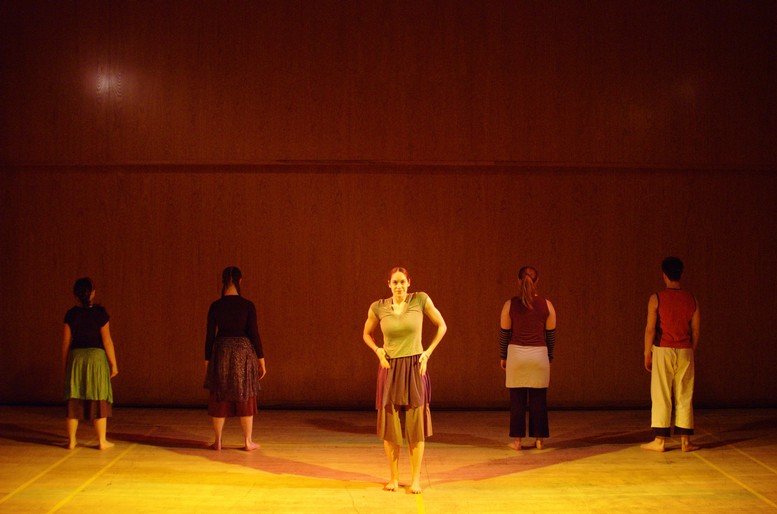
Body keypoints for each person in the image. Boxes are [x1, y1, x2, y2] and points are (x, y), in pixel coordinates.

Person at [362, 267, 447, 494]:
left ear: (409, 282)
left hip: (414, 367)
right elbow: (366, 333)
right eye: (395, 282)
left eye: (402, 282)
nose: (399, 286)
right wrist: (378, 351)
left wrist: (427, 353)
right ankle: (394, 477)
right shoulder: (378, 307)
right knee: (390, 425)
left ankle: (416, 479)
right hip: (389, 368)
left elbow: (442, 326)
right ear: (388, 284)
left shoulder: (420, 300)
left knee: (416, 425)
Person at [641, 256, 700, 452]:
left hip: (663, 349)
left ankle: (660, 441)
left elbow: (650, 329)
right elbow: (696, 331)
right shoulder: (692, 299)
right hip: (685, 350)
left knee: (661, 394)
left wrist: (647, 353)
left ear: (664, 275)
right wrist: (690, 350)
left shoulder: (656, 298)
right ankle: (685, 441)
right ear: (681, 274)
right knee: (685, 394)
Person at [204, 266, 266, 451]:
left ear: (223, 282)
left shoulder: (215, 306)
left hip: (221, 351)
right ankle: (247, 442)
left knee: (219, 395)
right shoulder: (247, 305)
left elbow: (209, 336)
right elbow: (254, 334)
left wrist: (207, 361)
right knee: (245, 394)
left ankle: (218, 441)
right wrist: (261, 359)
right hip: (243, 353)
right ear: (240, 281)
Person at [499, 266, 557, 451]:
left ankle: (517, 441)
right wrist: (549, 356)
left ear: (518, 281)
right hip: (539, 355)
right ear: (537, 281)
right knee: (539, 400)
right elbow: (550, 336)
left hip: (516, 355)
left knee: (517, 400)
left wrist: (503, 356)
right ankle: (539, 440)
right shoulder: (547, 305)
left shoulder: (509, 305)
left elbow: (504, 333)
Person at [63, 277, 119, 450]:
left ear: (75, 295)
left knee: (74, 399)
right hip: (96, 359)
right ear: (93, 293)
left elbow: (66, 342)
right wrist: (114, 364)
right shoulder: (100, 313)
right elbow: (107, 341)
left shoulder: (71, 314)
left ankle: (72, 441)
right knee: (99, 399)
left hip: (76, 358)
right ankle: (101, 441)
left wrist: (65, 364)